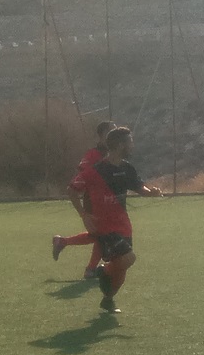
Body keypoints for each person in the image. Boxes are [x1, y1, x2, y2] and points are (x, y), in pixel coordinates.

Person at [67, 126, 162, 313]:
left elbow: (140, 188)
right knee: (129, 258)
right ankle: (103, 271)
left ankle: (108, 298)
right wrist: (84, 215)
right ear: (120, 145)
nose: (132, 145)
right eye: (130, 142)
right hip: (104, 228)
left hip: (123, 226)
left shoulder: (127, 168)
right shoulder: (96, 170)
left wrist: (151, 192)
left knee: (122, 266)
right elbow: (72, 190)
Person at [52, 119, 116, 278]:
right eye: (112, 131)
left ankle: (62, 242)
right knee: (103, 236)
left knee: (98, 235)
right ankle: (91, 269)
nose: (115, 134)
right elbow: (82, 178)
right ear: (103, 135)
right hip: (94, 202)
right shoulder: (93, 154)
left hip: (108, 203)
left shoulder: (112, 155)